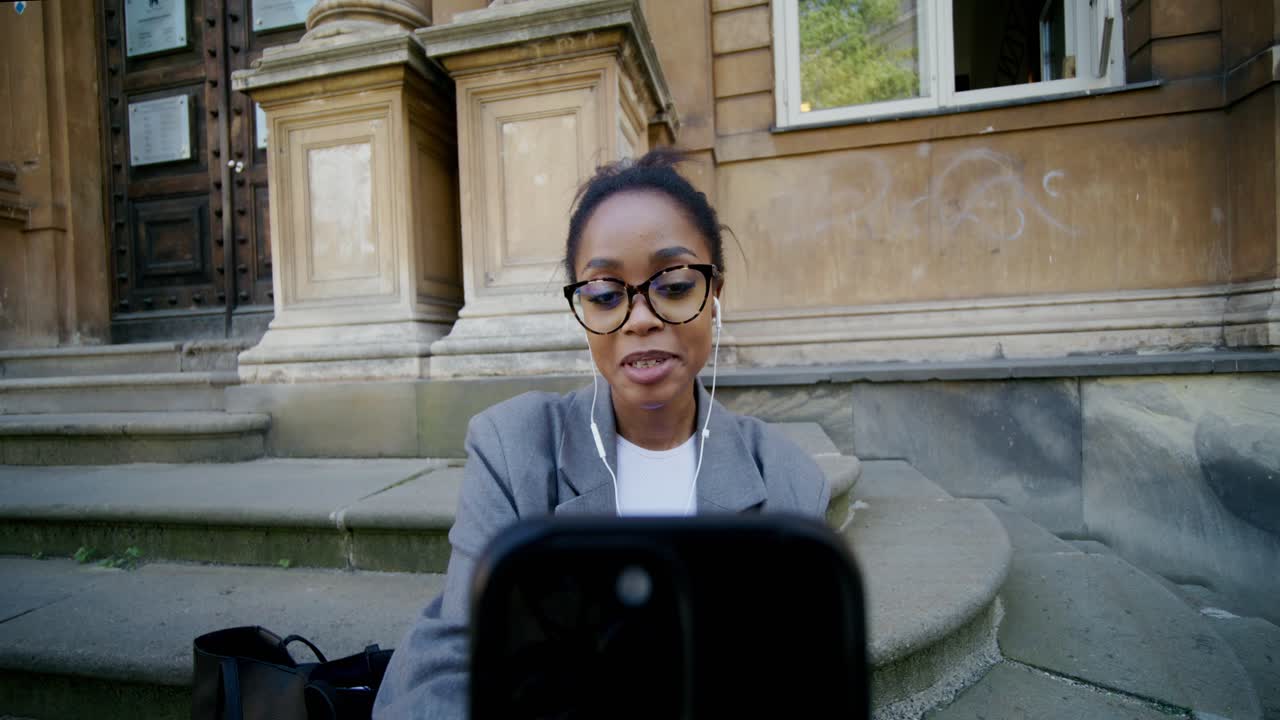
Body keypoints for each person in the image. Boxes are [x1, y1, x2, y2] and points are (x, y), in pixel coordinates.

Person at [372, 149, 831, 719]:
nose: (640, 318)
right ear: (581, 310)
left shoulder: (787, 481)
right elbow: (456, 660)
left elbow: (793, 682)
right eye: (606, 295)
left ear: (716, 294)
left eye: (676, 284)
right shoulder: (512, 449)